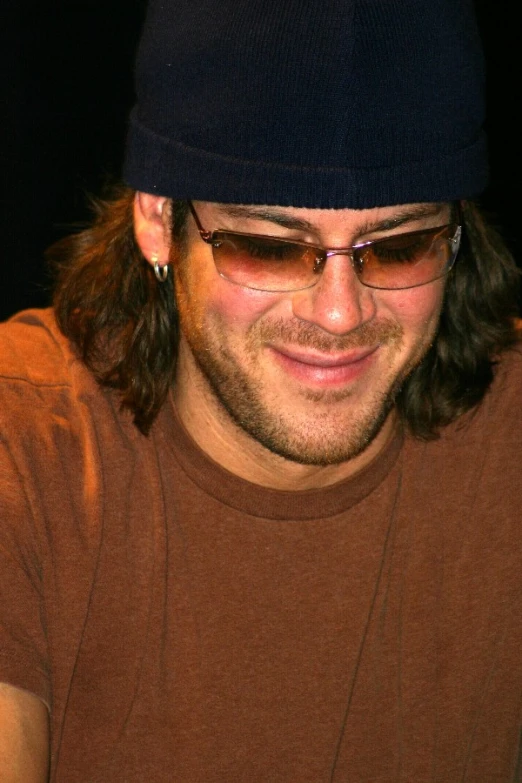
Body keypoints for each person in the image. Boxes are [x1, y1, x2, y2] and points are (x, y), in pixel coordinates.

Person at [1, 0, 521, 780]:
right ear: (157, 219)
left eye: (399, 248)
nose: (341, 313)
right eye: (272, 249)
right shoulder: (26, 444)